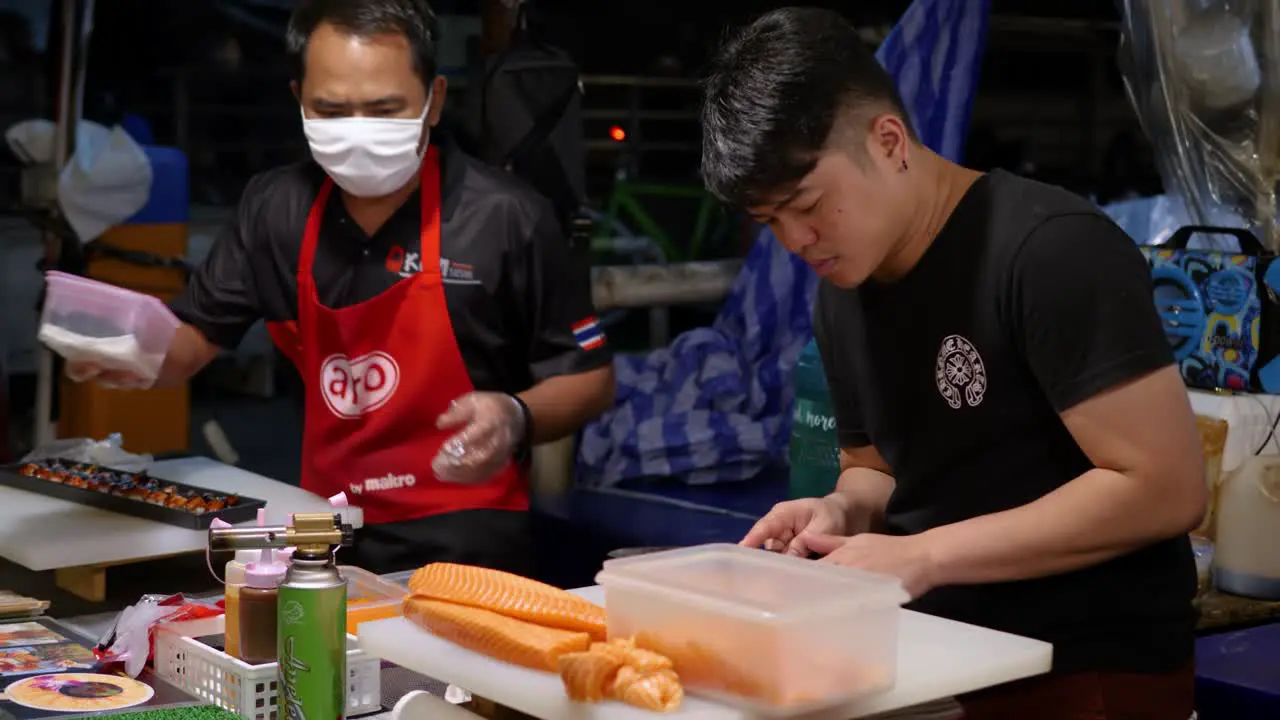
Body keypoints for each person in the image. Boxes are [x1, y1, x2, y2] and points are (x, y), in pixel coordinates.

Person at [702, 8, 1205, 719]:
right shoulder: (844, 290)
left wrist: (927, 555)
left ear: (888, 141)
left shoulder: (1050, 251)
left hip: (1089, 669)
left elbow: (1163, 488)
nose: (796, 240)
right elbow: (876, 467)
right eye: (769, 222)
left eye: (807, 205)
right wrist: (840, 509)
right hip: (943, 659)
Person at [66, 0, 615, 575]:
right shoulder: (276, 208)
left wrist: (515, 416)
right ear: (299, 100)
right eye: (330, 110)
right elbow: (192, 340)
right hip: (322, 529)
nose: (357, 131)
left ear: (434, 101)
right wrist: (129, 350)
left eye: (383, 109)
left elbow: (588, 377)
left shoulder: (505, 217)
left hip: (468, 538)